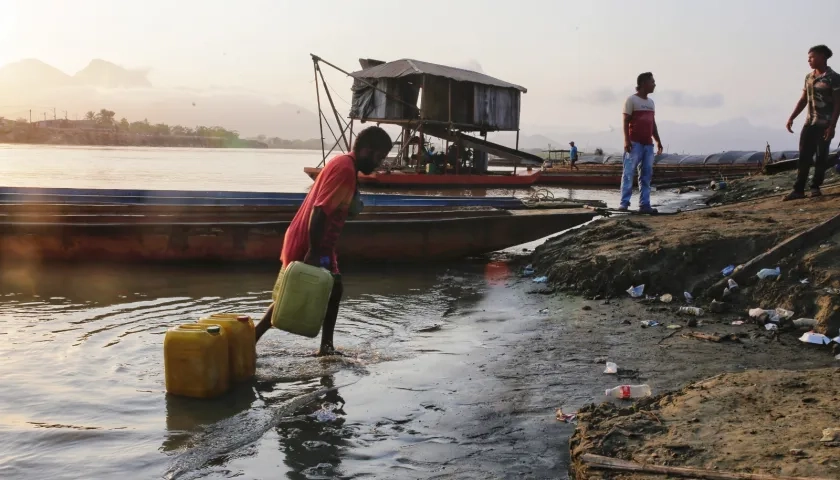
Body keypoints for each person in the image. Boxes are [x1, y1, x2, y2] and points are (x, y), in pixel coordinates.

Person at [254, 126, 393, 356]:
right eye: (379, 157)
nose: (379, 164)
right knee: (292, 296)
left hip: (320, 241)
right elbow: (319, 211)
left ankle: (325, 346)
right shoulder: (345, 169)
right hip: (311, 240)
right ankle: (254, 337)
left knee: (333, 290)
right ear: (367, 150)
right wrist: (314, 251)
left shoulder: (345, 163)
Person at [783, 45, 840, 201]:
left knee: (821, 157)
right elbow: (803, 99)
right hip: (810, 123)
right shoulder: (809, 77)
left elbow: (837, 104)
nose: (809, 60)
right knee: (804, 156)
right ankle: (798, 190)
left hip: (825, 124)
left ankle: (815, 187)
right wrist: (792, 117)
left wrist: (832, 126)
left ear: (822, 57)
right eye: (808, 58)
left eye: (812, 57)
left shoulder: (834, 78)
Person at [620, 72, 663, 213]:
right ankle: (624, 204)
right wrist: (627, 140)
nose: (654, 84)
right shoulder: (631, 100)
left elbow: (652, 123)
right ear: (644, 83)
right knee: (628, 173)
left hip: (648, 145)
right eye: (652, 82)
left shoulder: (651, 103)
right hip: (634, 144)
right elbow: (626, 121)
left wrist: (658, 141)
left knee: (646, 175)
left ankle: (645, 205)